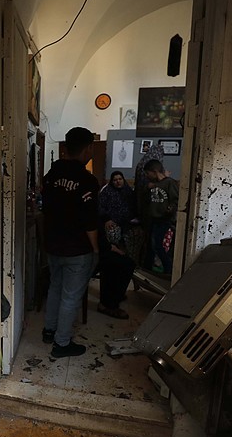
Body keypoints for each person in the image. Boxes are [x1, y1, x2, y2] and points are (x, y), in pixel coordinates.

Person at [41, 127, 99, 358]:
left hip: (53, 245)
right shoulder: (87, 180)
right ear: (88, 148)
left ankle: (49, 330)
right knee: (70, 296)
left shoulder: (51, 175)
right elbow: (90, 221)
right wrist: (95, 249)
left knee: (55, 288)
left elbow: (46, 209)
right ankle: (61, 344)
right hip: (77, 248)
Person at [96, 171, 138, 318]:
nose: (118, 182)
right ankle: (109, 303)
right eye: (115, 180)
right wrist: (110, 247)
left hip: (125, 226)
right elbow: (100, 212)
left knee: (128, 261)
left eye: (120, 179)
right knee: (118, 265)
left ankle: (116, 295)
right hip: (102, 243)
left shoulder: (128, 192)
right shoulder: (106, 193)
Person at [140, 159, 179, 275]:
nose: (147, 176)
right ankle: (148, 269)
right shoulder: (151, 185)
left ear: (155, 172)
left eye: (148, 173)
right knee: (151, 246)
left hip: (165, 220)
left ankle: (168, 270)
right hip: (153, 219)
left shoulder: (169, 183)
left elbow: (176, 200)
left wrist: (171, 208)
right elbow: (145, 199)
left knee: (158, 245)